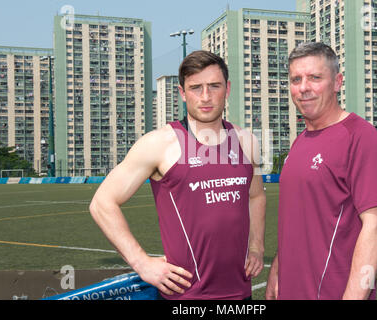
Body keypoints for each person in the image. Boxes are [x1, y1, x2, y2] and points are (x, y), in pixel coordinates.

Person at [90, 50, 266, 300]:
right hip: (184, 296)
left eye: (214, 86)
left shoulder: (247, 142)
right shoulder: (159, 143)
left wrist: (257, 246)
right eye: (196, 88)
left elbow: (256, 196)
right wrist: (141, 263)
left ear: (227, 90)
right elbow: (102, 203)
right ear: (182, 93)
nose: (205, 97)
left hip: (240, 294)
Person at [266, 42, 377, 300]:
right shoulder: (300, 141)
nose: (303, 88)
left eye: (315, 78)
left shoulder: (361, 137)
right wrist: (278, 269)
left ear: (337, 82)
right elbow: (298, 216)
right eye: (296, 79)